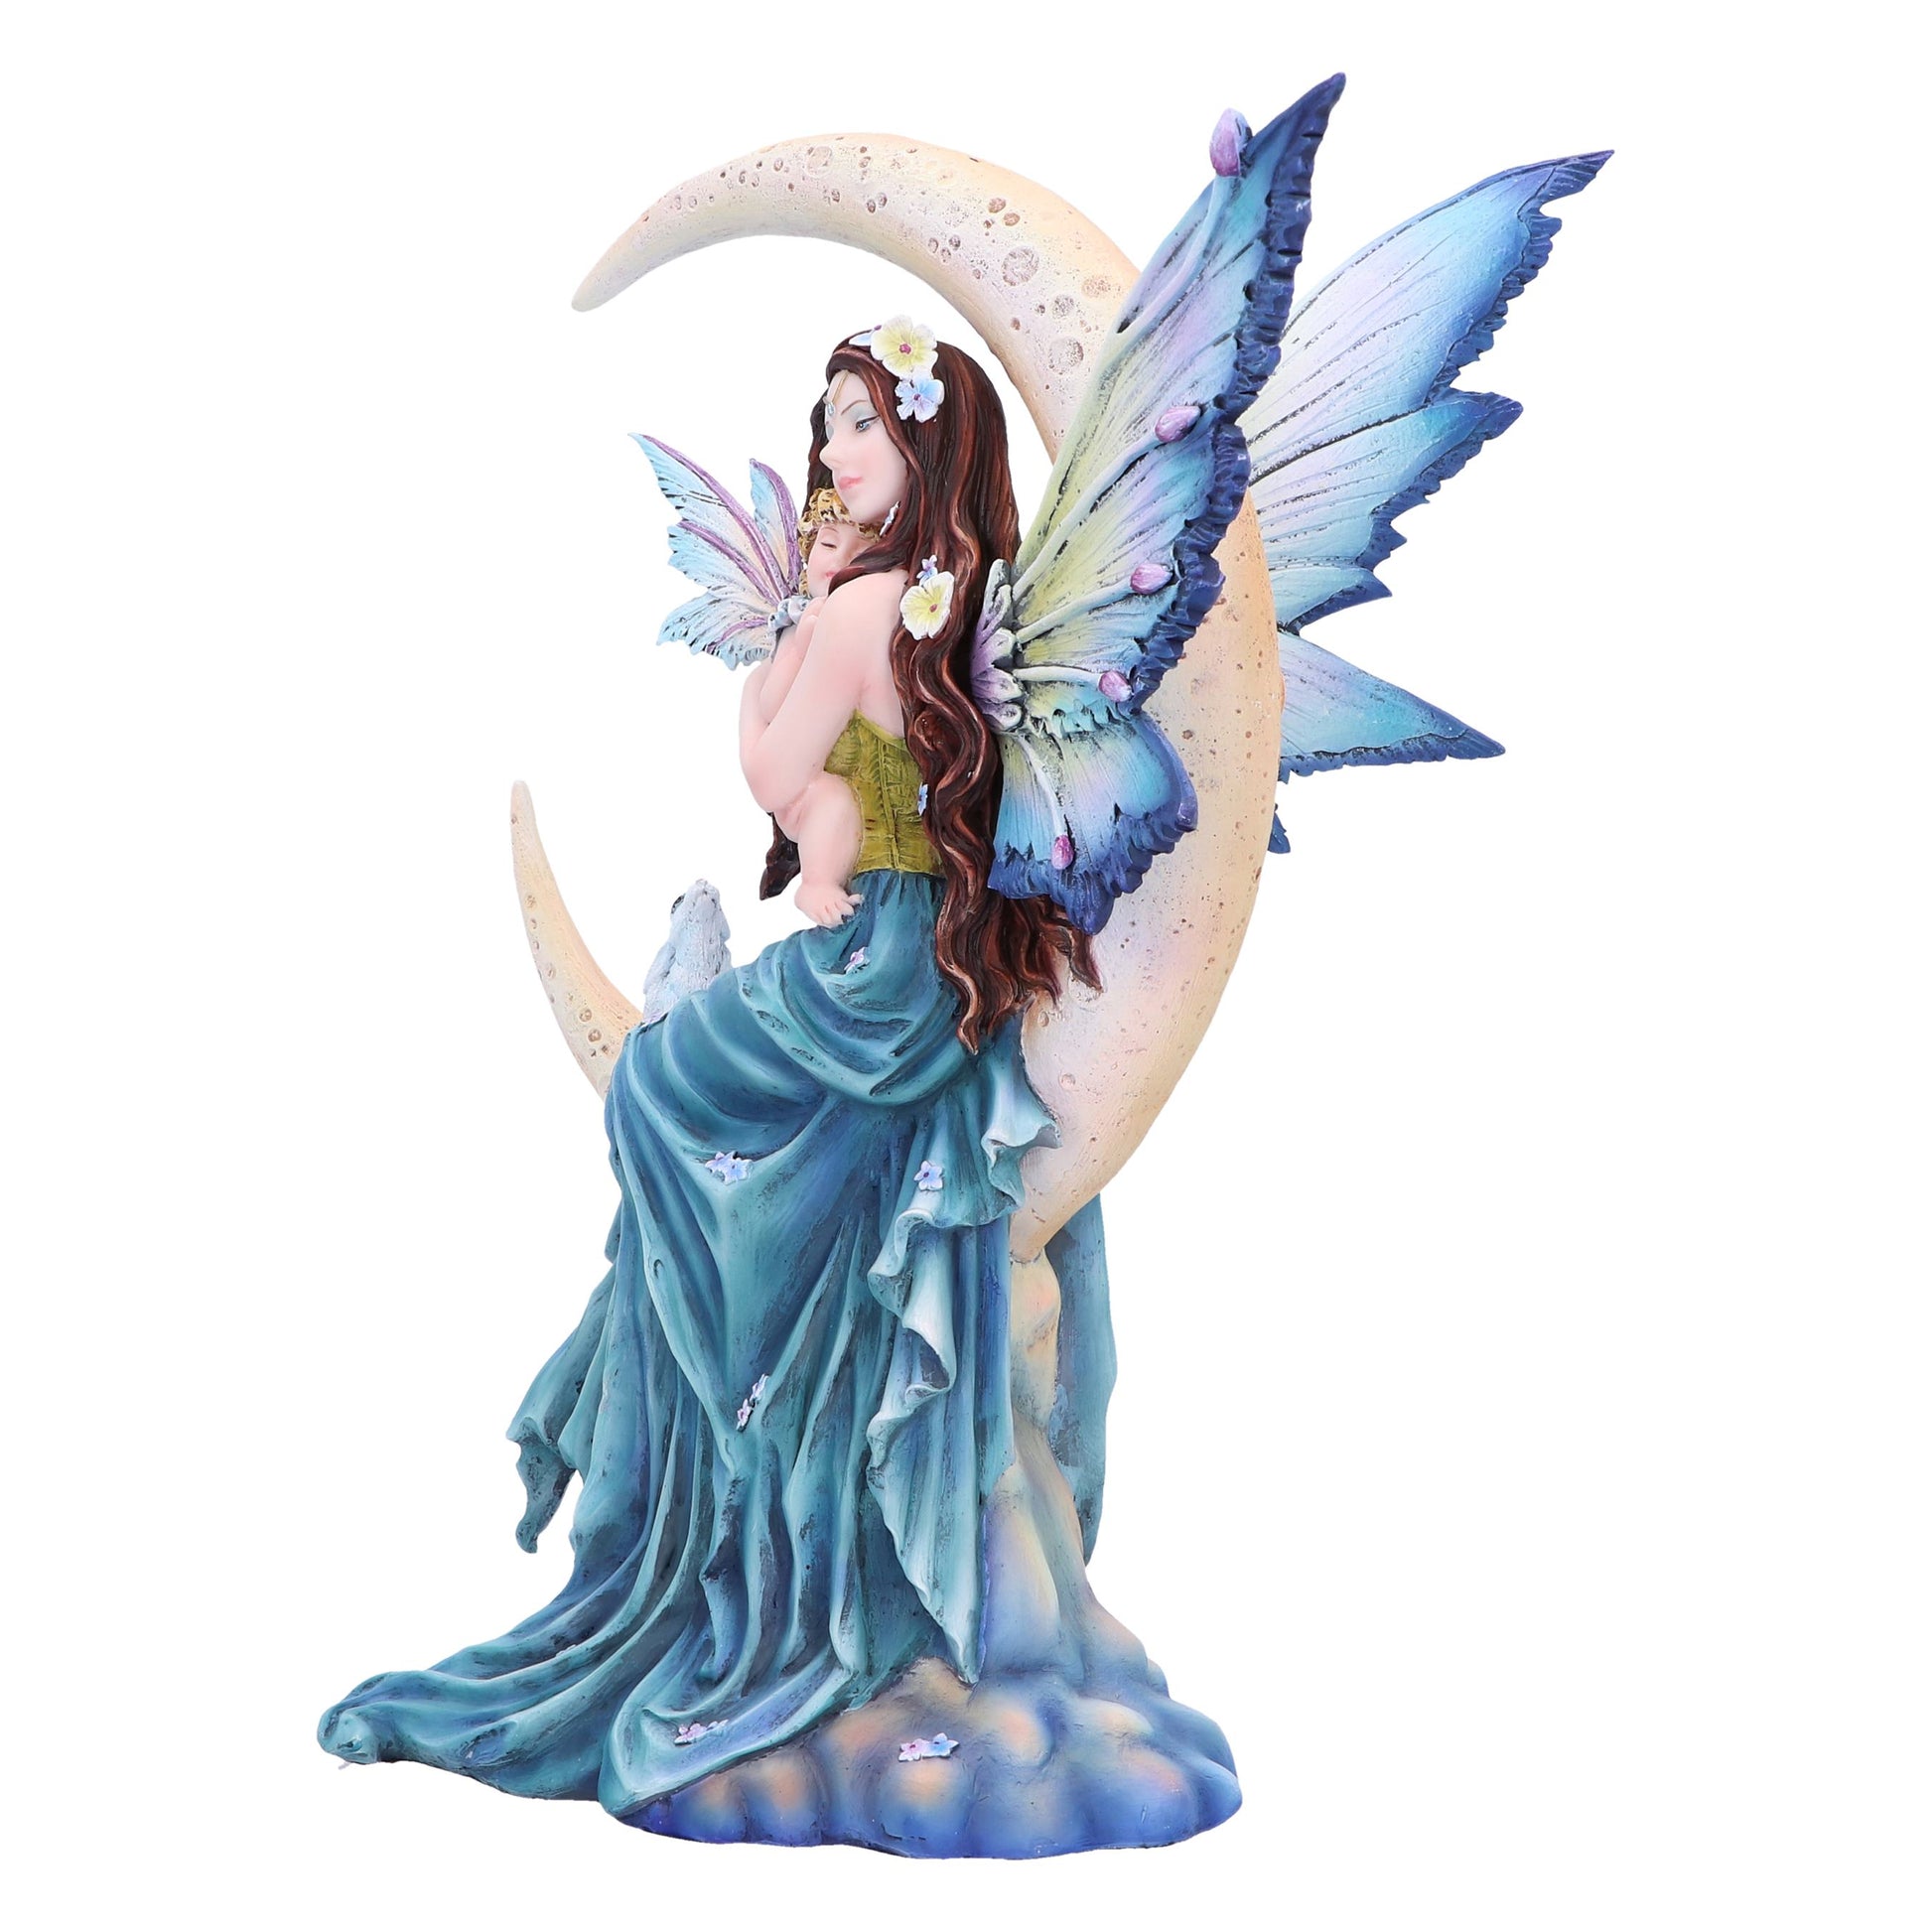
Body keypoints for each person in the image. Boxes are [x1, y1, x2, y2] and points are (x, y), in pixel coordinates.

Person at [317, 333, 1110, 1820]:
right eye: (828, 427)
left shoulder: (868, 605)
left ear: (927, 446)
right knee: (691, 1101)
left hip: (877, 964)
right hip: (926, 960)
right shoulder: (948, 600)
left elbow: (770, 772)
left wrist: (777, 651)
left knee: (655, 1087)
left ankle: (722, 1389)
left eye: (862, 426)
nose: (835, 455)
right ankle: (757, 1362)